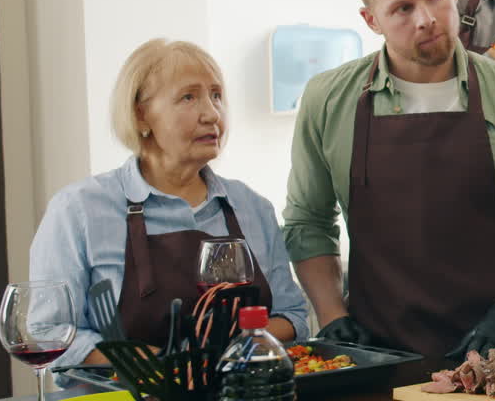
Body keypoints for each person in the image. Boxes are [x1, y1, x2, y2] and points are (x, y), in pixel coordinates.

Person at [283, 0, 495, 367]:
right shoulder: (328, 99)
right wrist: (331, 316)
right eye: (402, 8)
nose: (426, 18)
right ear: (371, 20)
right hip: (375, 357)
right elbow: (308, 222)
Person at [32, 39, 309, 368]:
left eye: (217, 95)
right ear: (140, 114)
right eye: (189, 97)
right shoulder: (79, 210)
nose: (211, 113)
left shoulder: (252, 207)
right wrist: (162, 364)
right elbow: (47, 332)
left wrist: (219, 358)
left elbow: (292, 317)